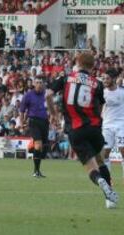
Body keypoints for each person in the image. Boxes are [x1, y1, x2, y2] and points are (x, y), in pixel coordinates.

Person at [46, 53, 118, 209]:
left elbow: (49, 94)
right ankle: (110, 197)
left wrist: (53, 114)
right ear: (93, 66)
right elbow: (99, 105)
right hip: (94, 129)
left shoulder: (65, 78)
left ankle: (100, 181)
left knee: (91, 167)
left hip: (75, 129)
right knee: (100, 160)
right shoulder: (97, 83)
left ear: (77, 63)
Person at [20, 77, 49, 178]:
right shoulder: (28, 95)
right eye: (37, 82)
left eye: (40, 82)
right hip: (33, 121)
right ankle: (36, 171)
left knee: (42, 147)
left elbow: (50, 107)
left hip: (45, 122)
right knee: (38, 145)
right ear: (33, 83)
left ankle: (37, 171)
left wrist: (53, 117)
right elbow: (22, 109)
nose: (39, 84)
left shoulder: (46, 94)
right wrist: (22, 121)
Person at [101, 68, 124, 179]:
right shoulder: (102, 92)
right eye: (104, 78)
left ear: (114, 79)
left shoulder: (122, 91)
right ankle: (108, 179)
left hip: (121, 125)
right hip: (107, 126)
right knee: (105, 153)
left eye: (107, 78)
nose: (105, 80)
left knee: (123, 150)